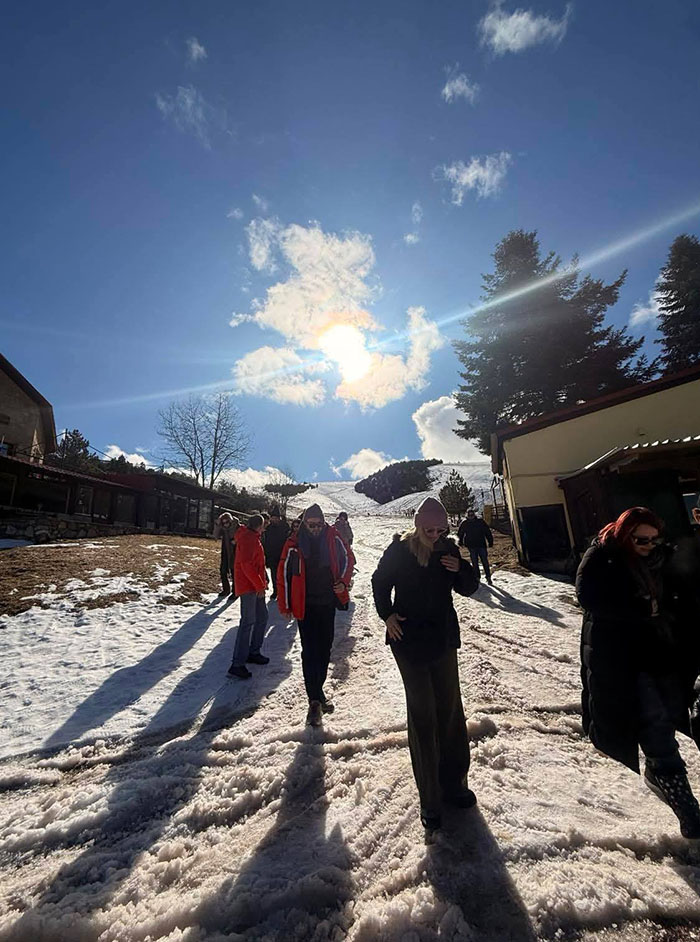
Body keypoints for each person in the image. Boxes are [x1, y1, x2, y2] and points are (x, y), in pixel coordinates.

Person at [577, 506, 700, 839]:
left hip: (661, 654)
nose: (648, 545)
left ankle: (660, 772)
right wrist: (639, 609)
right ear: (624, 534)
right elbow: (587, 596)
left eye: (653, 539)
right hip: (622, 660)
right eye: (641, 539)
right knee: (655, 721)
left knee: (672, 715)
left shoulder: (663, 559)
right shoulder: (604, 556)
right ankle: (684, 803)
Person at [372, 496, 479, 831]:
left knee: (449, 710)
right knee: (423, 713)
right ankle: (430, 799)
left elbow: (468, 588)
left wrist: (461, 568)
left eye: (439, 528)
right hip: (408, 640)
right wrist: (386, 614)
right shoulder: (400, 550)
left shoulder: (448, 548)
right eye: (428, 528)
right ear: (417, 525)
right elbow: (379, 583)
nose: (434, 534)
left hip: (443, 639)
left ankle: (455, 784)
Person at [277, 503, 353, 726]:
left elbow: (349, 558)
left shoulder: (333, 536)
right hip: (305, 605)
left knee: (325, 648)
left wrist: (343, 583)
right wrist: (284, 605)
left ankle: (318, 692)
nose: (316, 529)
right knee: (309, 650)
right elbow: (282, 574)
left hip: (327, 603)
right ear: (304, 523)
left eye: (319, 524)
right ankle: (314, 699)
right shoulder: (294, 543)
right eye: (311, 525)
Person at [228, 514, 270, 679]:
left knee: (262, 617)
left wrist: (262, 582)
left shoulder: (253, 537)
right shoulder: (248, 539)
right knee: (248, 621)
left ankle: (253, 651)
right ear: (258, 526)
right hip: (249, 587)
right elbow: (246, 566)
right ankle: (237, 664)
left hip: (256, 585)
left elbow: (257, 564)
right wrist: (259, 585)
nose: (265, 527)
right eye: (264, 525)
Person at [457, 509, 494, 585]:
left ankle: (488, 577)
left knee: (485, 561)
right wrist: (459, 542)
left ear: (474, 514)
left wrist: (490, 541)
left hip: (481, 544)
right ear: (467, 515)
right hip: (471, 545)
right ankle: (477, 577)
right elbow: (460, 533)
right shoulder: (465, 523)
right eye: (469, 515)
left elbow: (487, 531)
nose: (471, 516)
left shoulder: (480, 522)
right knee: (474, 562)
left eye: (472, 514)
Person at [263, 507, 290, 601]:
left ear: (279, 518)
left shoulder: (285, 527)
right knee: (274, 575)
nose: (274, 519)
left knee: (283, 575)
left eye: (276, 518)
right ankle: (275, 591)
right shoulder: (268, 528)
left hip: (283, 555)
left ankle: (284, 592)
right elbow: (266, 541)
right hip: (272, 555)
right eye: (273, 518)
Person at [213, 512, 239, 597]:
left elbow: (242, 535)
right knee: (223, 570)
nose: (225, 524)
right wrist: (217, 525)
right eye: (223, 523)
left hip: (235, 551)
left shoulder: (236, 526)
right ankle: (226, 589)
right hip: (225, 550)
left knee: (234, 571)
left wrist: (236, 540)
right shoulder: (222, 527)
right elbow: (215, 536)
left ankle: (235, 591)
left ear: (230, 521)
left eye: (227, 522)